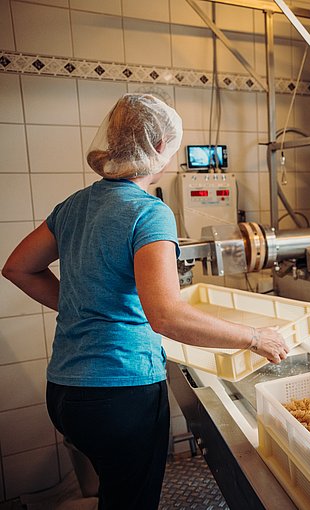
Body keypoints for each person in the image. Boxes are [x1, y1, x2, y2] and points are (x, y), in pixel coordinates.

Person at [2, 94, 289, 509]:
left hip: (65, 392)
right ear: (157, 147)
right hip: (119, 394)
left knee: (115, 494)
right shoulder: (148, 212)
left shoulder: (74, 206)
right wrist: (253, 337)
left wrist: (83, 304)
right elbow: (167, 316)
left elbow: (17, 267)